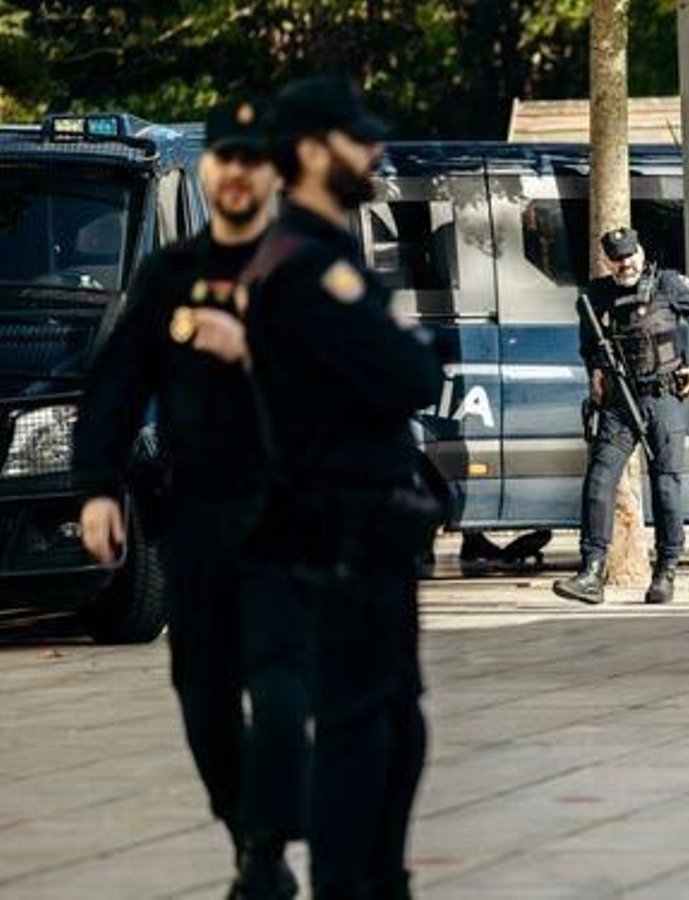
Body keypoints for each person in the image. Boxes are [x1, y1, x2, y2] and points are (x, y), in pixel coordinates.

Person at [72, 100, 307, 899]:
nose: (238, 176)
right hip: (198, 519)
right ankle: (250, 834)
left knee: (278, 689)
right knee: (202, 695)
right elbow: (114, 384)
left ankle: (271, 841)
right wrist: (98, 486)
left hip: (287, 520)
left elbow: (361, 386)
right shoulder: (169, 275)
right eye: (225, 163)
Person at [247, 76, 444, 898]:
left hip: (367, 526)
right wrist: (400, 354)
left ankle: (374, 881)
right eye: (355, 139)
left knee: (395, 729)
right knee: (363, 733)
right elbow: (411, 374)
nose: (374, 152)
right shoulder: (304, 268)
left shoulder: (322, 259)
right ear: (308, 152)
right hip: (341, 531)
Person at [554, 227, 689, 605]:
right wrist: (596, 373)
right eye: (618, 259)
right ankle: (591, 571)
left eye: (631, 256)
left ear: (641, 250)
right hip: (621, 403)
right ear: (607, 261)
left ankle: (666, 570)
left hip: (664, 395)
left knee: (666, 483)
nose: (626, 264)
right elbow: (590, 346)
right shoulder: (597, 296)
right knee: (600, 478)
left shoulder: (669, 285)